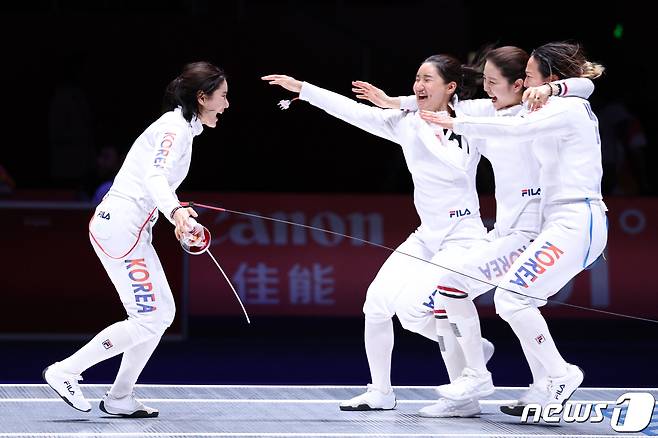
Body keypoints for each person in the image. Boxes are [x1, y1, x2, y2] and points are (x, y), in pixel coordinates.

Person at [356, 46, 594, 417]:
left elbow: (581, 90)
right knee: (485, 296)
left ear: (527, 82)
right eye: (483, 81)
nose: (485, 89)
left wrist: (550, 92)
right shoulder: (502, 109)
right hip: (512, 230)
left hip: (555, 225)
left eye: (496, 81)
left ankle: (542, 376)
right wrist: (393, 101)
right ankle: (527, 384)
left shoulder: (548, 111)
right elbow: (444, 105)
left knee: (508, 300)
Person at [262, 55, 495, 412]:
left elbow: (510, 108)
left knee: (413, 310)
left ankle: (469, 375)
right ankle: (382, 392)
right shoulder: (406, 123)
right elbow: (353, 112)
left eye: (428, 79)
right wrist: (305, 90)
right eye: (417, 77)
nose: (419, 85)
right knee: (377, 304)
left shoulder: (473, 116)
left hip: (463, 236)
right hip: (427, 235)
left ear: (450, 88)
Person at [422, 41, 607, 415]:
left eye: (531, 77)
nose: (524, 83)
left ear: (549, 79)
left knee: (511, 299)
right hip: (559, 221)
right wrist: (553, 87)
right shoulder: (557, 100)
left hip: (578, 219)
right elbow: (581, 85)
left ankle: (560, 374)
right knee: (521, 301)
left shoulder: (567, 108)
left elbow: (519, 129)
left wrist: (456, 123)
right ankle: (543, 386)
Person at [43, 61, 229, 417]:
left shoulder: (182, 129)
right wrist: (175, 212)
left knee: (159, 314)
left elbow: (153, 182)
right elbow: (156, 177)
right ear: (202, 97)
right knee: (149, 317)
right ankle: (66, 371)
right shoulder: (174, 129)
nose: (226, 104)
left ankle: (120, 397)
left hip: (131, 227)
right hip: (121, 228)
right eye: (222, 96)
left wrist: (175, 214)